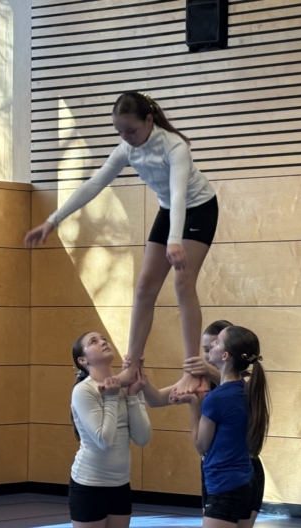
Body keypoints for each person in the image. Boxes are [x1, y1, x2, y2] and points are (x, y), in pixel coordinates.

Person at [25, 91, 218, 396]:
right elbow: (94, 184)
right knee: (144, 287)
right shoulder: (128, 148)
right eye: (120, 132)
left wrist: (174, 240)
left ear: (149, 120)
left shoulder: (175, 147)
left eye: (131, 130)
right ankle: (132, 366)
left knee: (183, 282)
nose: (126, 138)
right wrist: (53, 220)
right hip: (170, 210)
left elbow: (179, 193)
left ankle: (192, 372)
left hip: (199, 209)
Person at [178, 326, 270, 528]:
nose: (212, 344)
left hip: (225, 485)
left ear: (225, 355)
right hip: (246, 482)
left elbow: (201, 445)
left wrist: (193, 404)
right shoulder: (247, 391)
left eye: (217, 342)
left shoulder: (217, 398)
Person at [69, 331, 152, 528]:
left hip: (120, 485)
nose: (103, 342)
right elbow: (103, 441)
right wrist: (112, 397)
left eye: (103, 339)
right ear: (83, 360)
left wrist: (133, 394)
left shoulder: (125, 386)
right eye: (94, 341)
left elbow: (142, 438)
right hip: (89, 485)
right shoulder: (84, 390)